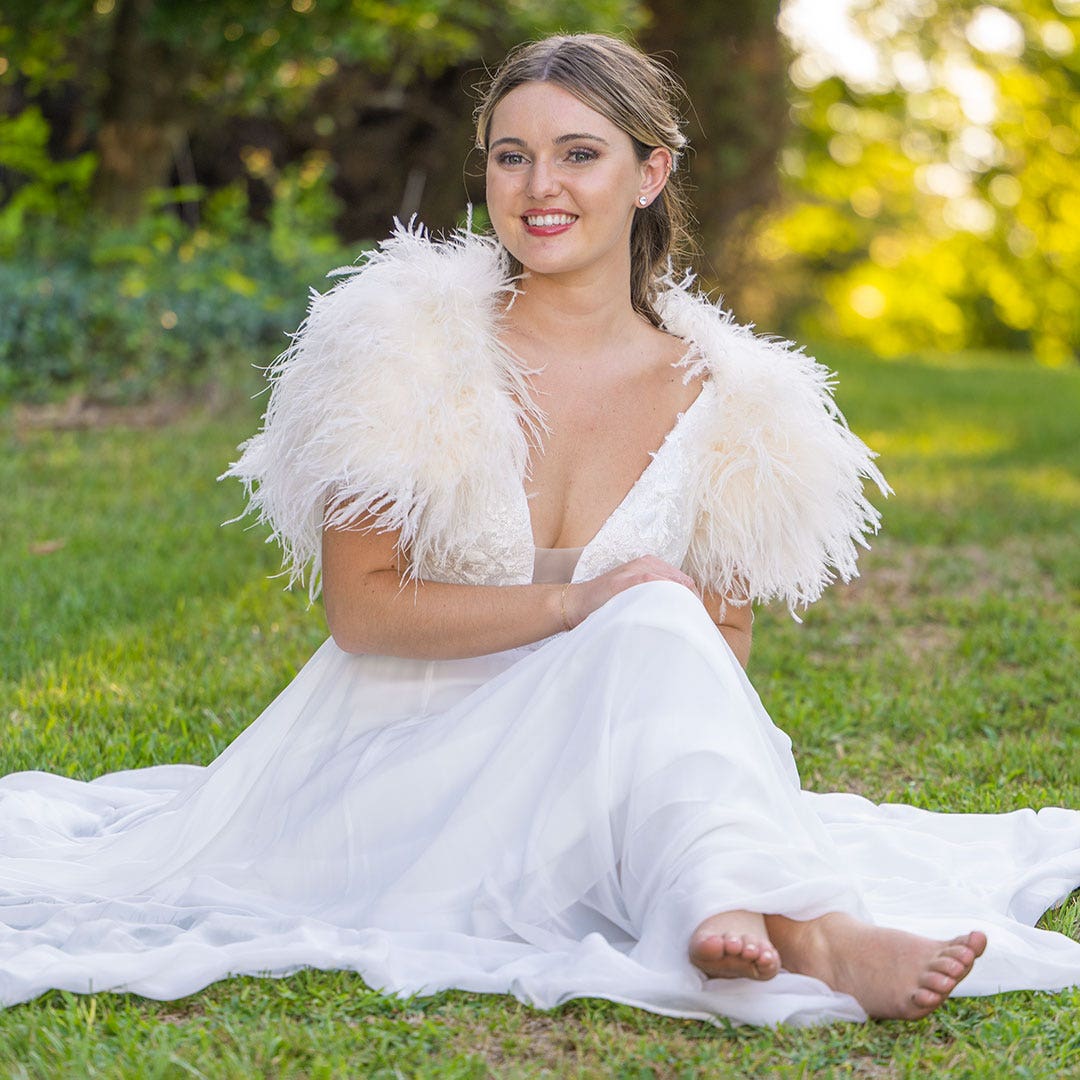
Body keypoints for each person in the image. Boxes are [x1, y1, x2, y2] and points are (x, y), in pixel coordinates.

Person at [1, 33, 1078, 1028]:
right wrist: (581, 599)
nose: (540, 187)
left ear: (650, 174)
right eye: (510, 157)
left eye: (578, 153)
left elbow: (721, 654)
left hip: (602, 758)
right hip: (400, 757)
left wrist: (631, 616)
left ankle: (744, 906)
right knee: (651, 603)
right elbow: (365, 609)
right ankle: (804, 929)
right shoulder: (403, 344)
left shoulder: (738, 402)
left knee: (659, 613)